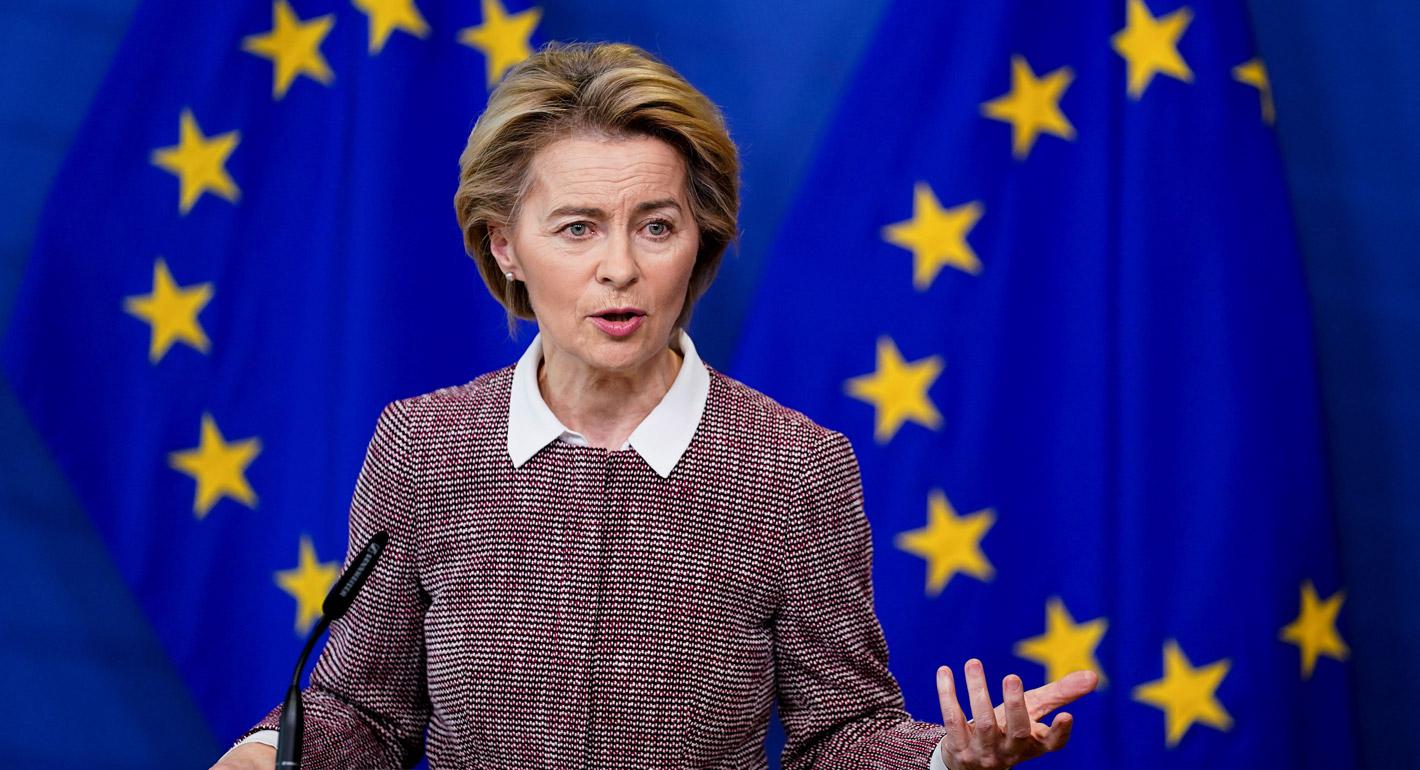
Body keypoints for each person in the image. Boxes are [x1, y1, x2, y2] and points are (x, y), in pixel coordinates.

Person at [213, 42, 1096, 770]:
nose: (621, 268)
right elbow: (364, 712)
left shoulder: (794, 467)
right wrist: (263, 756)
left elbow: (840, 732)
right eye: (578, 227)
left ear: (698, 239)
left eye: (656, 225)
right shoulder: (425, 446)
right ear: (505, 246)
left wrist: (944, 759)